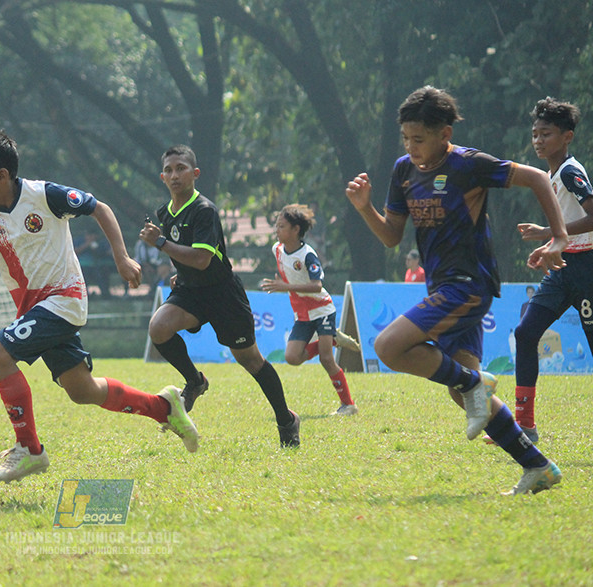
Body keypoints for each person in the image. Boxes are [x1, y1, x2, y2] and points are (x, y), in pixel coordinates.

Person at [0, 129, 197, 483]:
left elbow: (99, 209)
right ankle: (164, 407)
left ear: (1, 175)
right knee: (82, 390)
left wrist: (121, 258)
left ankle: (29, 450)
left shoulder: (43, 195)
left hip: (64, 298)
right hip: (32, 309)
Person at [345, 85, 567, 495]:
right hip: (442, 286)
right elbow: (392, 237)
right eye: (406, 138)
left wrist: (557, 236)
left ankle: (474, 382)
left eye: (420, 139)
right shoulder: (403, 171)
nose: (411, 147)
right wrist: (365, 209)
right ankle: (538, 466)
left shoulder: (468, 164)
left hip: (469, 284)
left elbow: (537, 177)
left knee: (389, 347)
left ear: (444, 134)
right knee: (460, 390)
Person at [140, 145, 300, 447]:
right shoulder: (165, 212)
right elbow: (188, 258)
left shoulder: (205, 211)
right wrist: (179, 271)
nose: (175, 175)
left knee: (251, 361)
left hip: (223, 294)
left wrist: (160, 242)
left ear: (195, 173)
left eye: (181, 168)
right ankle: (196, 382)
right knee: (158, 328)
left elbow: (202, 259)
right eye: (169, 170)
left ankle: (286, 421)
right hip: (190, 291)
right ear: (162, 177)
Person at [510, 97, 593, 444]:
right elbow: (572, 225)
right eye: (535, 134)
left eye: (547, 133)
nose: (539, 140)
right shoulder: (551, 174)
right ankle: (524, 425)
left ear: (567, 137)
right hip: (563, 269)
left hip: (587, 270)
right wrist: (548, 248)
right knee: (526, 334)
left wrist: (548, 235)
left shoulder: (571, 172)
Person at [259, 203, 358, 415]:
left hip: (322, 309)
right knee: (292, 358)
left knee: (326, 359)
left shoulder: (308, 255)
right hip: (301, 313)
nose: (276, 230)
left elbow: (317, 285)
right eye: (276, 225)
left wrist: (286, 287)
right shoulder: (277, 249)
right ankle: (331, 339)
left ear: (296, 230)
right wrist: (284, 286)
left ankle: (349, 405)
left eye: (281, 226)